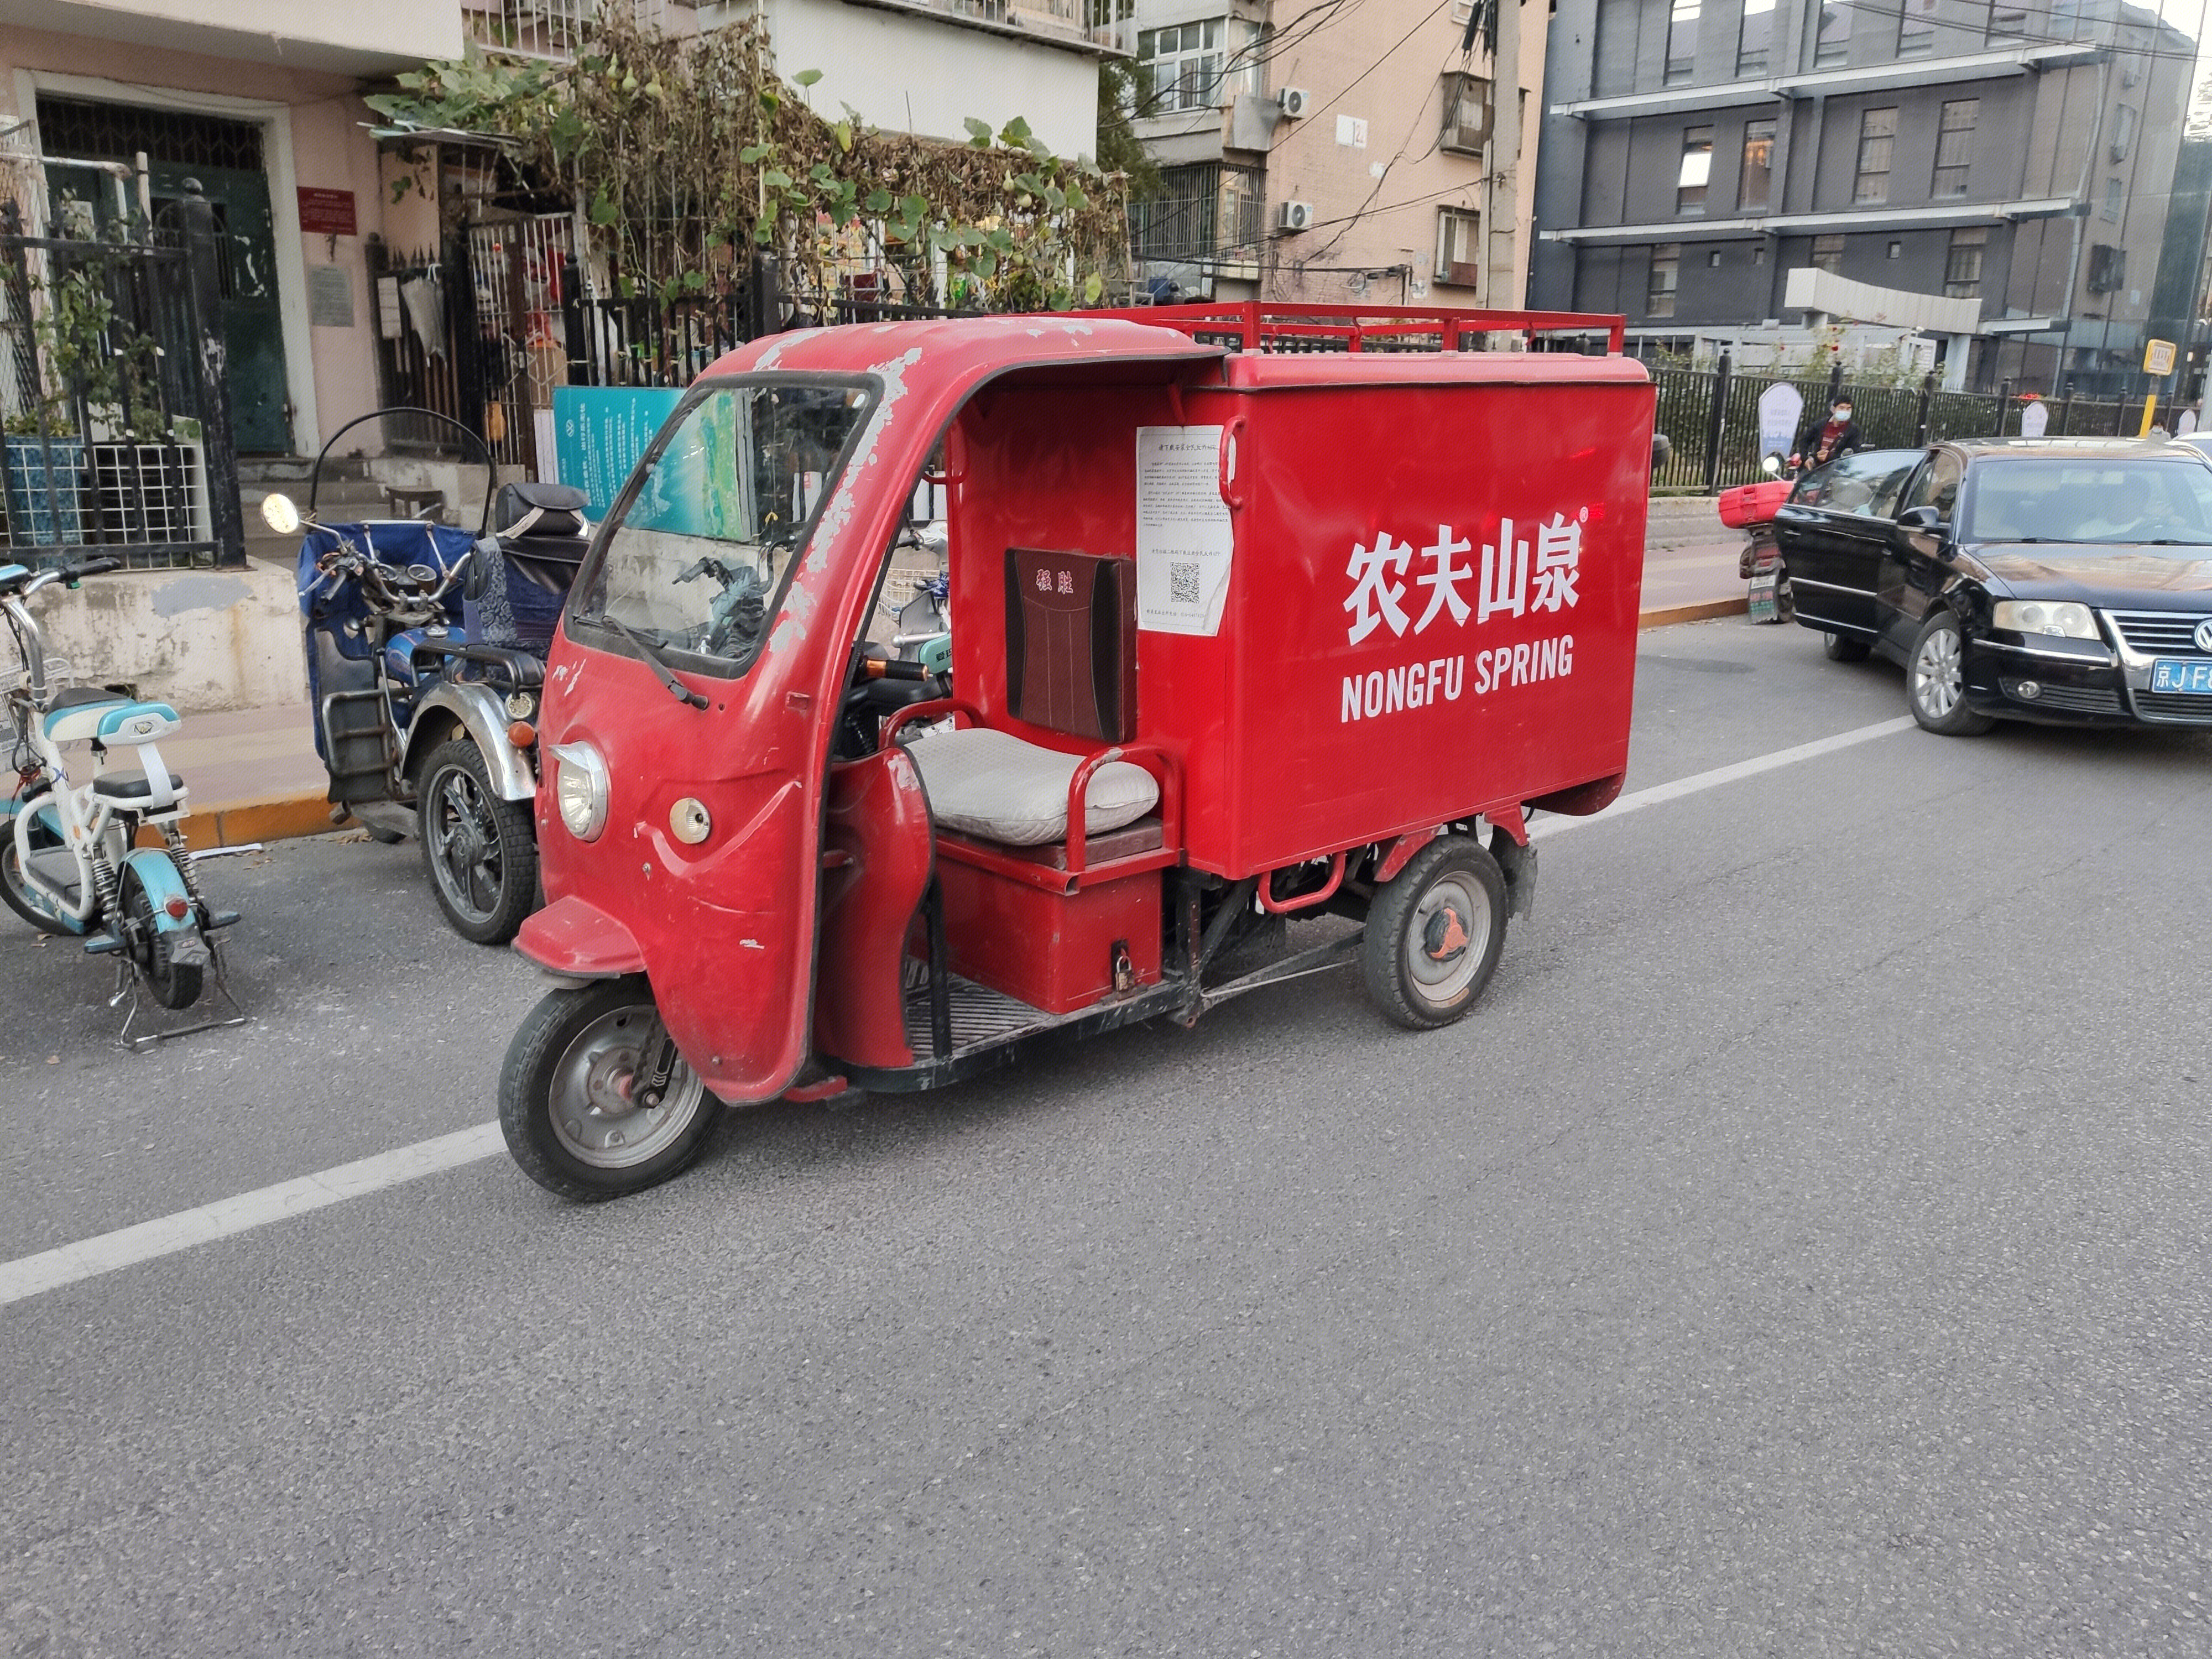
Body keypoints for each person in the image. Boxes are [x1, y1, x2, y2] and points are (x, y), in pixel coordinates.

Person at [1790, 397, 1867, 470]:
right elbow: (1804, 441)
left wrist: (1830, 457)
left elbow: (1855, 452)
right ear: (1833, 409)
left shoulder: (1854, 430)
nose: (1845, 411)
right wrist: (1805, 458)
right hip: (1816, 467)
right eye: (1842, 408)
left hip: (1837, 469)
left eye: (1848, 409)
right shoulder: (1820, 425)